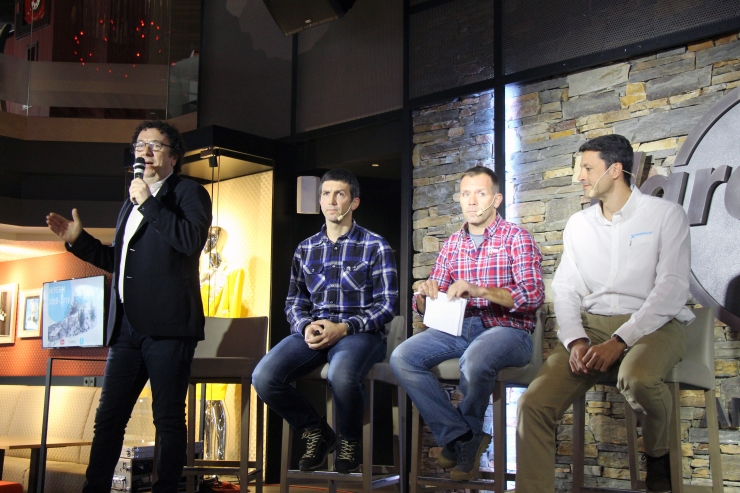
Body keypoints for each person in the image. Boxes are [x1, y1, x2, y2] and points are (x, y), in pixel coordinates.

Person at [516, 134, 693, 493]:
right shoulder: (579, 225)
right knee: (532, 403)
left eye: (586, 168)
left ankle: (658, 453)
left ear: (615, 170)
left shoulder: (666, 215)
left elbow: (671, 287)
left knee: (638, 378)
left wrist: (621, 339)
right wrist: (576, 339)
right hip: (593, 328)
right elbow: (565, 288)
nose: (578, 176)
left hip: (654, 324)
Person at [46, 120, 212, 493]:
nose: (145, 152)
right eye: (140, 145)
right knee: (108, 419)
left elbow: (188, 241)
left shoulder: (188, 193)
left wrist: (149, 202)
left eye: (154, 145)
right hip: (125, 327)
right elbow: (118, 260)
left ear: (173, 156)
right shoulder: (132, 201)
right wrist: (79, 241)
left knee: (167, 419)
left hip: (169, 328)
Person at [390, 165, 544, 481]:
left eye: (480, 193)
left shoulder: (517, 238)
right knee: (402, 357)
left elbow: (532, 296)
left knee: (474, 361)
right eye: (465, 194)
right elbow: (429, 303)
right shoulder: (452, 244)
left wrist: (480, 290)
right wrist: (423, 295)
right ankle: (462, 435)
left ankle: (466, 438)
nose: (472, 201)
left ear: (496, 199)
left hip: (507, 330)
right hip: (459, 328)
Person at [252, 169, 398, 473]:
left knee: (341, 374)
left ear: (354, 202)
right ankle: (316, 431)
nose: (331, 200)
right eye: (325, 193)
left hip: (360, 333)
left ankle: (349, 440)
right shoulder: (306, 248)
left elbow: (386, 306)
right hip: (314, 331)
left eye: (339, 194)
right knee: (263, 376)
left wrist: (344, 327)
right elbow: (294, 300)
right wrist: (305, 325)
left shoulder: (375, 245)